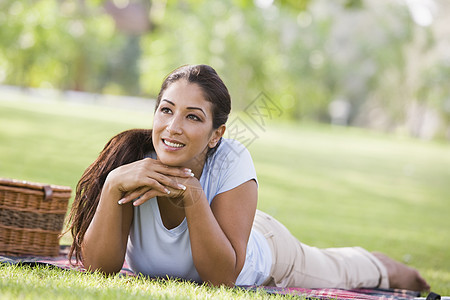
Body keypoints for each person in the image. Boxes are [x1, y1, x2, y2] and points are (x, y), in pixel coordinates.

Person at [67, 64, 430, 291]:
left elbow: (221, 280)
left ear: (215, 134)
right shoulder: (133, 165)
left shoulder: (231, 160)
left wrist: (192, 194)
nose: (173, 127)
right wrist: (113, 182)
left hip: (266, 250)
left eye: (193, 117)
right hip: (233, 222)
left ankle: (390, 268)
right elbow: (101, 269)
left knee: (345, 271)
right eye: (166, 110)